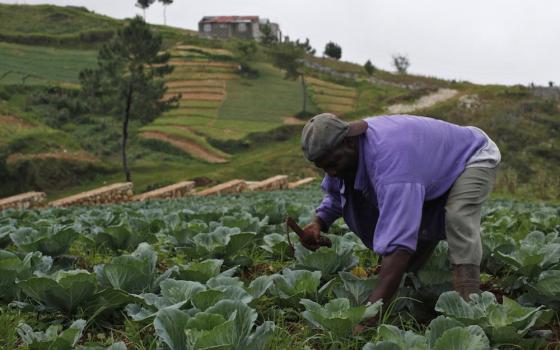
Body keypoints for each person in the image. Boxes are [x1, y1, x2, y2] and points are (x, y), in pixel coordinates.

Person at [299, 113, 500, 329]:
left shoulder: (392, 165)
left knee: (458, 214)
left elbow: (399, 247)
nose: (331, 171)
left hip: (472, 155)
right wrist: (318, 222)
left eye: (333, 163)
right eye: (323, 167)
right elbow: (339, 191)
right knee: (412, 233)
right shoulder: (344, 152)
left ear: (348, 142)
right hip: (428, 165)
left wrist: (370, 316)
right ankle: (405, 279)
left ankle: (468, 295)